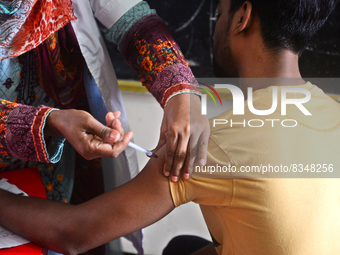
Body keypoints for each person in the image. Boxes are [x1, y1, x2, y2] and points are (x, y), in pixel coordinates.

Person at [0, 0, 340, 254]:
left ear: (241, 17)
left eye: (219, 13)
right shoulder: (333, 111)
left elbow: (73, 233)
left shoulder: (212, 144)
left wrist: (181, 92)